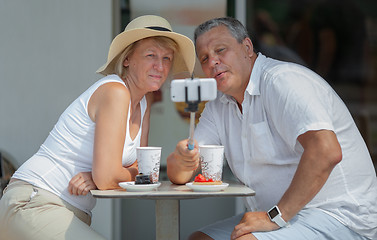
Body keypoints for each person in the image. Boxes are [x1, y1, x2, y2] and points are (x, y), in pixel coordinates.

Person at [167, 17, 377, 240]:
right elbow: (182, 171)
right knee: (199, 239)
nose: (213, 62)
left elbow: (326, 151)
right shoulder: (219, 104)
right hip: (279, 215)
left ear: (247, 47)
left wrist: (275, 217)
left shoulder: (282, 81)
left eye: (221, 50)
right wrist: (182, 160)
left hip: (339, 216)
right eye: (205, 58)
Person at [0, 15, 195, 240]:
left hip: (65, 212)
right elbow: (127, 175)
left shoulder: (143, 101)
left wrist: (103, 175)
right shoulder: (115, 92)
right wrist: (105, 174)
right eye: (151, 55)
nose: (160, 66)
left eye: (167, 58)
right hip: (33, 203)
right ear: (127, 59)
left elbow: (142, 169)